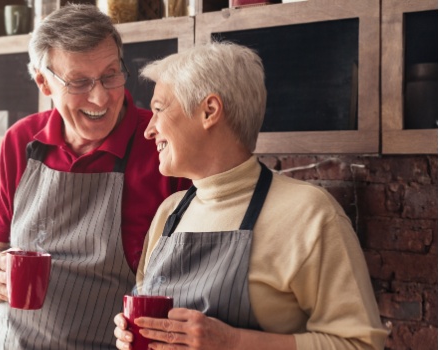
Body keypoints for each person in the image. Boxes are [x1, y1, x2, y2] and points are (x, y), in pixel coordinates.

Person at [112, 42, 388, 349]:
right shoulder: (169, 213)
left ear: (209, 111)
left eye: (159, 110)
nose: (149, 129)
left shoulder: (309, 214)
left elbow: (360, 344)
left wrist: (233, 341)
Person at [0, 4, 191, 349]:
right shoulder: (20, 140)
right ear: (44, 82)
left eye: (110, 75)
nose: (100, 97)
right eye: (79, 82)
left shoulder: (160, 142)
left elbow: (193, 281)